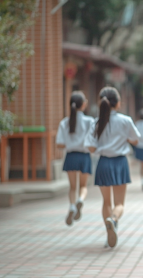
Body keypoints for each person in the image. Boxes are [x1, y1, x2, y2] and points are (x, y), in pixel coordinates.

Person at [84, 87, 140, 248]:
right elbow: (136, 140)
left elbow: (91, 147)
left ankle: (109, 229)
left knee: (106, 202)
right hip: (120, 163)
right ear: (118, 103)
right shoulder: (125, 120)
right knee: (119, 204)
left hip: (103, 163)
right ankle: (114, 220)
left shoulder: (96, 122)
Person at [56, 91, 94, 226]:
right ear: (83, 105)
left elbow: (59, 144)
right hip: (84, 156)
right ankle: (81, 200)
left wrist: (70, 143)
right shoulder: (90, 121)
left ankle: (72, 206)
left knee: (72, 187)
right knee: (83, 186)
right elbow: (93, 141)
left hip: (71, 156)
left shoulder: (65, 122)